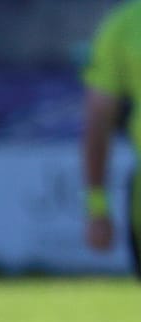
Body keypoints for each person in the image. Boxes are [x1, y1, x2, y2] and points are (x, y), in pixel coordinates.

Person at [82, 0, 141, 272]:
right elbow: (98, 122)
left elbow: (98, 121)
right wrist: (97, 207)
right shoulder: (125, 25)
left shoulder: (126, 23)